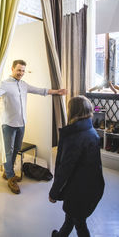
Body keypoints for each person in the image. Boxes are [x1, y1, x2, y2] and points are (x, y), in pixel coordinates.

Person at [0, 59, 67, 194]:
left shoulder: (24, 85)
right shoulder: (4, 84)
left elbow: (39, 90)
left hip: (22, 123)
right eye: (19, 70)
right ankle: (11, 177)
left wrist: (56, 92)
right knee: (9, 151)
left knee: (16, 149)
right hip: (8, 124)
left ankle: (8, 172)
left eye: (23, 71)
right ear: (12, 69)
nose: (21, 73)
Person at [49, 96, 105, 237]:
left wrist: (54, 193)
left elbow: (64, 169)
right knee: (71, 218)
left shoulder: (75, 137)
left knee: (79, 223)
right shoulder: (90, 131)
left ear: (72, 111)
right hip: (92, 186)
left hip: (79, 191)